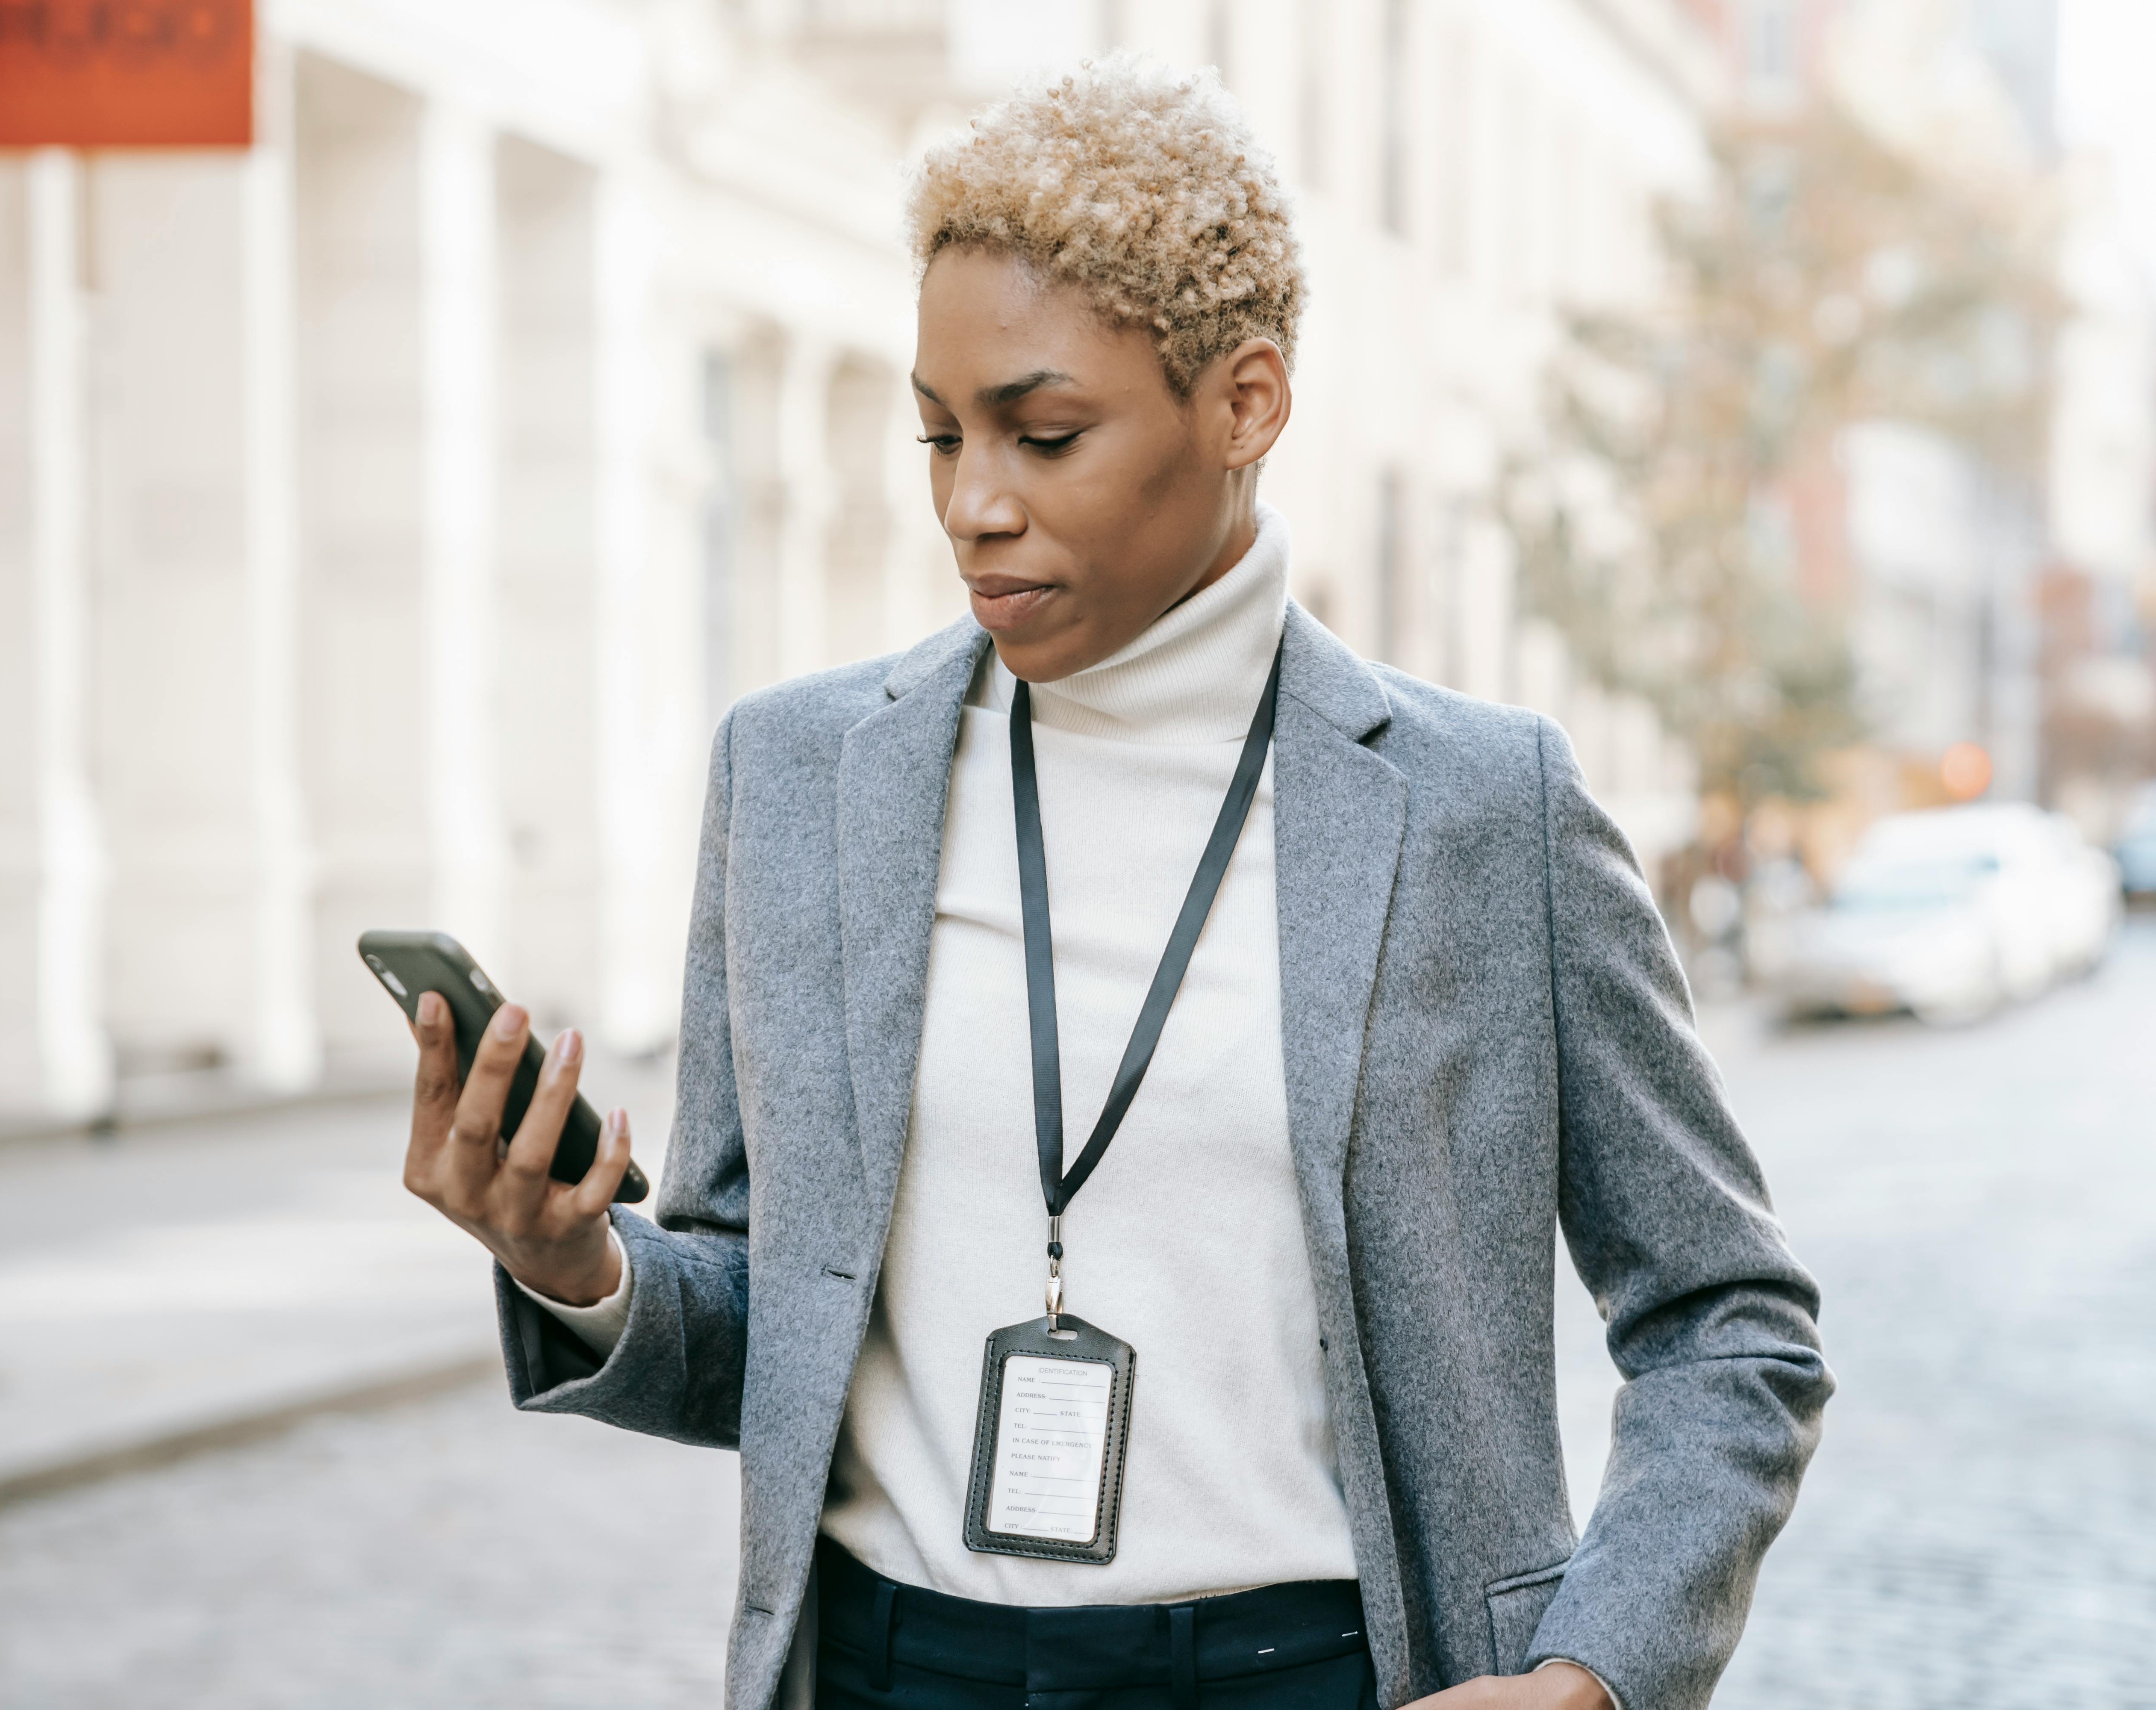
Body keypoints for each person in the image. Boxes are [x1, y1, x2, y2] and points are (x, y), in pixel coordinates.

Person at [401, 57, 1829, 1710]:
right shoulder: (797, 781)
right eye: (939, 434)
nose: (973, 505)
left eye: (1045, 431)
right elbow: (763, 1327)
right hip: (886, 1670)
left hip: (1316, 1674)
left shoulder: (1481, 813)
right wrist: (577, 1266)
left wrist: (1592, 1674)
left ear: (1247, 404)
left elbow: (1734, 1324)